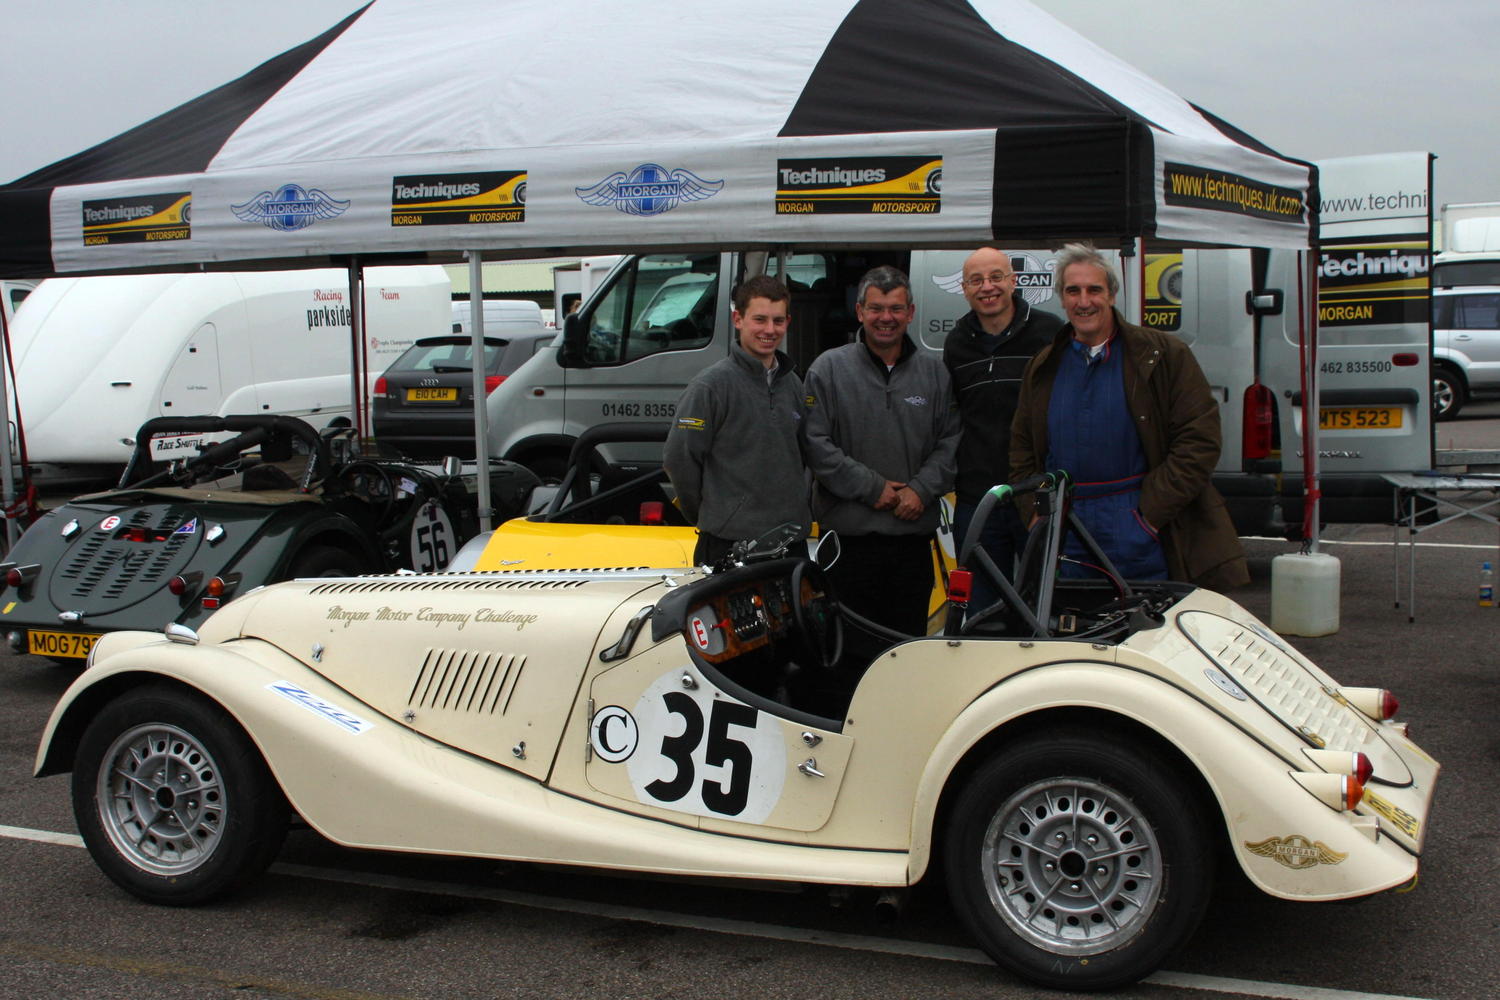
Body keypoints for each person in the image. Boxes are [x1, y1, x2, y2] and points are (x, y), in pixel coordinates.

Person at [1009, 244, 1249, 590]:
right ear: (1061, 298)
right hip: (1066, 524)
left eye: (1094, 289)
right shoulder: (1045, 366)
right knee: (1073, 619)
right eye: (1073, 291)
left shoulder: (1162, 355)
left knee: (1143, 618)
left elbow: (1200, 441)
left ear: (1112, 295)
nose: (1084, 301)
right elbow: (1021, 447)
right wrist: (1034, 513)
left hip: (1134, 519)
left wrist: (1149, 515)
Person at [803, 265, 960, 644]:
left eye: (895, 308)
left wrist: (920, 490)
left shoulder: (935, 374)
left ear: (911, 312)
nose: (885, 318)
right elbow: (815, 443)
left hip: (911, 545)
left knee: (905, 650)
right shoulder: (828, 369)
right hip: (847, 545)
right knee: (847, 650)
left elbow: (951, 441)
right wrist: (872, 488)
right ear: (860, 312)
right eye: (876, 308)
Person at [664, 274, 811, 566]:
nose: (769, 330)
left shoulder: (794, 384)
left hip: (789, 547)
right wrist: (712, 516)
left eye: (778, 321)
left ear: (788, 322)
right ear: (738, 319)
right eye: (760, 319)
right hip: (728, 547)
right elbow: (679, 459)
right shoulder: (710, 387)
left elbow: (805, 456)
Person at [942, 246, 1061, 591]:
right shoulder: (957, 343)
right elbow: (953, 416)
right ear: (964, 289)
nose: (987, 287)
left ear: (1013, 281)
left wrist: (1047, 492)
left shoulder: (1049, 333)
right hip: (978, 499)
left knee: (1044, 601)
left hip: (1036, 495)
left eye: (996, 277)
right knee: (984, 606)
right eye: (976, 280)